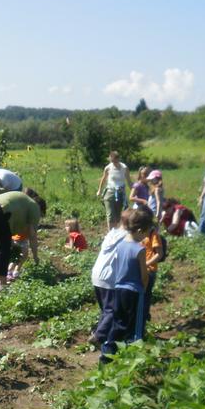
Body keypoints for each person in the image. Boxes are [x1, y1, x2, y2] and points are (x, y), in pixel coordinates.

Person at [99, 208, 150, 363]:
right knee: (136, 326)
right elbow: (144, 275)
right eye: (146, 232)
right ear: (140, 230)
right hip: (134, 292)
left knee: (118, 322)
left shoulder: (120, 245)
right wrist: (144, 289)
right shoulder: (140, 249)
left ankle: (107, 351)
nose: (146, 236)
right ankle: (135, 358)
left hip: (118, 290)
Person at [0, 189, 45, 291]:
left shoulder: (24, 201)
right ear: (41, 209)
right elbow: (32, 236)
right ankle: (2, 284)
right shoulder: (34, 207)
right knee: (4, 248)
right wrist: (35, 256)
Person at [89, 212, 128, 350]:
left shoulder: (112, 233)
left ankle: (101, 334)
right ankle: (99, 336)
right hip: (110, 277)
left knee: (106, 309)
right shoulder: (126, 237)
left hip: (97, 274)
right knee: (112, 310)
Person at [141, 217, 165, 337]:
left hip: (149, 271)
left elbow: (159, 254)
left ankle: (142, 324)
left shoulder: (153, 234)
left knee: (144, 297)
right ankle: (140, 324)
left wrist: (147, 264)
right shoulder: (140, 234)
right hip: (140, 270)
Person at [96, 151, 131, 230]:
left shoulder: (124, 168)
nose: (113, 163)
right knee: (110, 215)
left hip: (120, 193)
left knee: (117, 217)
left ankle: (114, 232)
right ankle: (110, 234)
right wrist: (99, 190)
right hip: (110, 192)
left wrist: (134, 190)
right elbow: (103, 179)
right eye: (112, 161)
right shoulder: (108, 168)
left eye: (115, 161)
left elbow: (129, 181)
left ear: (118, 159)